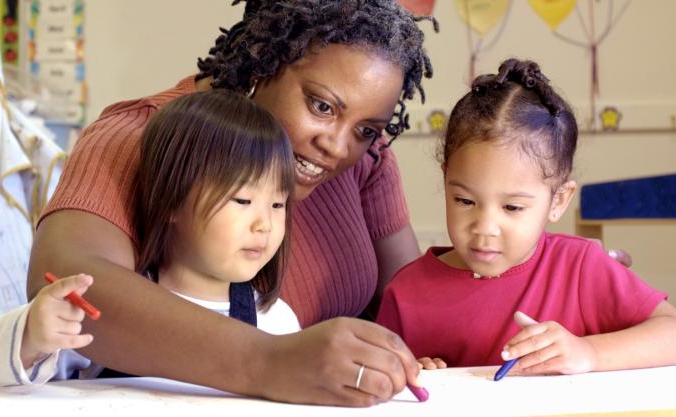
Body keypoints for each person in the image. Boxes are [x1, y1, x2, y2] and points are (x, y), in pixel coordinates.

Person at [26, 0, 432, 406]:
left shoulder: (367, 157)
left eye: (365, 128)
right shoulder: (143, 136)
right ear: (263, 65)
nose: (337, 147)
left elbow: (414, 303)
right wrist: (269, 361)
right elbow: (72, 281)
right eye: (321, 106)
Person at [376, 59, 676, 375]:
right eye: (464, 200)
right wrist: (412, 372)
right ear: (445, 181)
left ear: (558, 200)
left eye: (512, 208)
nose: (484, 228)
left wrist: (587, 352)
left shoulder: (580, 266)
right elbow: (386, 375)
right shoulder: (407, 291)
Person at [0, 91, 301, 387]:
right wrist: (31, 335)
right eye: (243, 201)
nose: (265, 225)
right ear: (171, 200)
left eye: (278, 204)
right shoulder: (106, 310)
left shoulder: (277, 322)